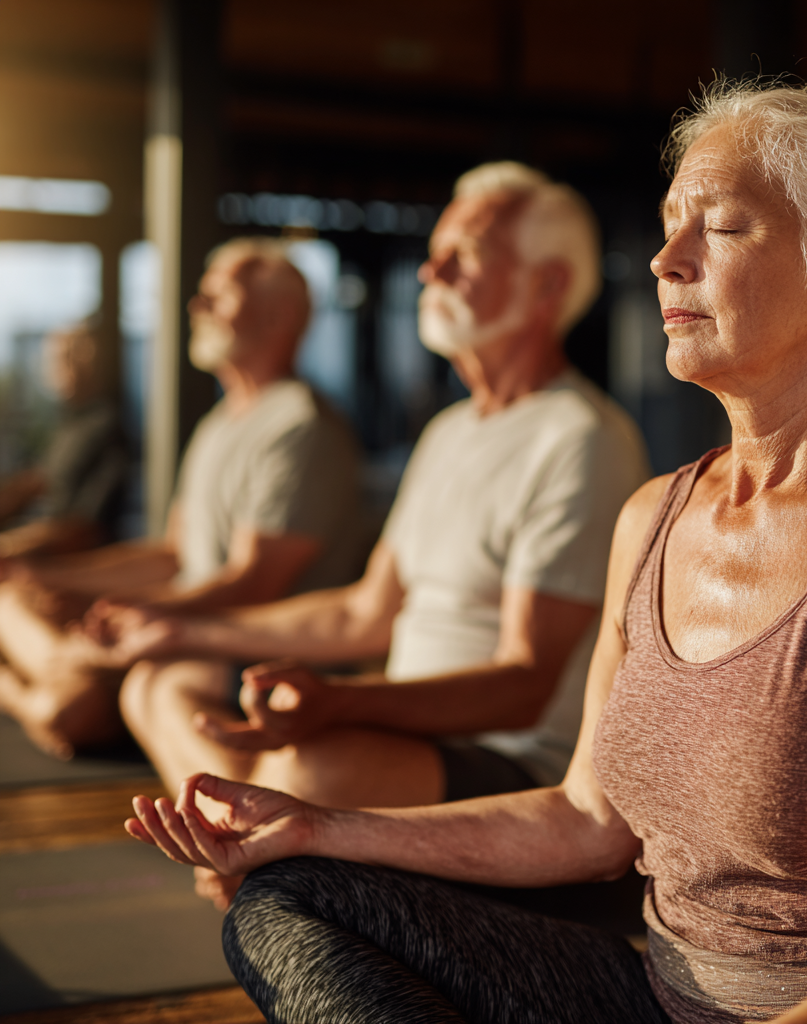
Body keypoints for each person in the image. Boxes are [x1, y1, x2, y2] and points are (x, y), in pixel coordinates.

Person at [127, 78, 807, 1024]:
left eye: (719, 227)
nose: (665, 259)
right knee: (288, 896)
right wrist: (314, 826)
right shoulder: (653, 518)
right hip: (659, 995)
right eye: (671, 224)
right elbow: (587, 819)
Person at [101, 163, 649, 894]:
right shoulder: (450, 431)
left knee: (311, 764)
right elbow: (362, 614)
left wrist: (342, 703)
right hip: (402, 734)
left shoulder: (582, 438)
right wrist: (184, 632)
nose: (431, 268)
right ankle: (260, 856)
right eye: (436, 249)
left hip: (513, 767)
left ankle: (258, 855)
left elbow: (524, 684)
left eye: (466, 254)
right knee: (160, 683)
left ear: (545, 287)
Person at [0, 238, 362, 759]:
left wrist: (132, 619)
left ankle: (27, 685)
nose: (198, 306)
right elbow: (174, 554)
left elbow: (253, 584)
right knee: (14, 599)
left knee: (69, 710)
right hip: (182, 630)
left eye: (220, 293)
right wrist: (47, 578)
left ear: (279, 316)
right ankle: (63, 663)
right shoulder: (220, 424)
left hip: (243, 654)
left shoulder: (301, 425)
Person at [0, 322, 126, 561]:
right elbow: (36, 482)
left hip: (81, 564)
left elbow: (88, 528)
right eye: (53, 357)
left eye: (66, 356)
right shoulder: (69, 423)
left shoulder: (105, 426)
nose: (54, 366)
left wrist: (10, 545)